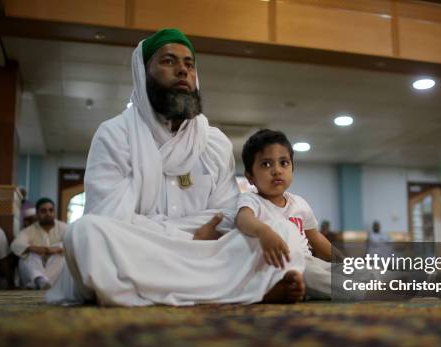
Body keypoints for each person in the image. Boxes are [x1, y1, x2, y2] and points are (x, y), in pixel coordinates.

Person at [46, 29, 306, 306]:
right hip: (146, 251)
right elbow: (111, 217)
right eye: (169, 61)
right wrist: (187, 236)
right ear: (143, 72)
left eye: (189, 64)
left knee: (281, 228)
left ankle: (177, 291)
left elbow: (227, 214)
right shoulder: (115, 134)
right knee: (85, 233)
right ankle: (245, 291)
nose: (182, 70)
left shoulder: (214, 141)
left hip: (208, 250)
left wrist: (195, 235)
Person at [236, 129, 337, 301]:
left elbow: (316, 238)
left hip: (309, 261)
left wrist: (342, 259)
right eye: (266, 164)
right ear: (250, 177)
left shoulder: (300, 204)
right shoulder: (252, 201)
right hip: (283, 266)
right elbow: (243, 219)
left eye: (284, 163)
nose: (277, 170)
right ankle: (358, 289)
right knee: (318, 277)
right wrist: (263, 232)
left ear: (292, 169)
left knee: (347, 270)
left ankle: (391, 280)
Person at [11, 198, 67, 290]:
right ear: (37, 214)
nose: (48, 213)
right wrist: (45, 250)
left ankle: (43, 283)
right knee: (28, 255)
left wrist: (57, 249)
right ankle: (40, 280)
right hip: (34, 268)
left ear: (54, 212)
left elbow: (74, 246)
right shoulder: (29, 230)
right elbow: (15, 245)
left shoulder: (64, 228)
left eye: (51, 210)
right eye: (43, 211)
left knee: (61, 251)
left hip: (56, 269)